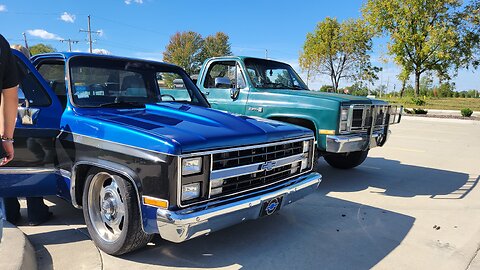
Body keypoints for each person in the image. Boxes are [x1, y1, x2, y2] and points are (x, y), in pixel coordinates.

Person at [0, 38, 51, 225]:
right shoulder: (29, 76)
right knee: (33, 168)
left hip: (8, 129)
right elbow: (11, 98)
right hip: (24, 127)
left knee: (6, 173)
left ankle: (9, 214)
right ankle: (36, 214)